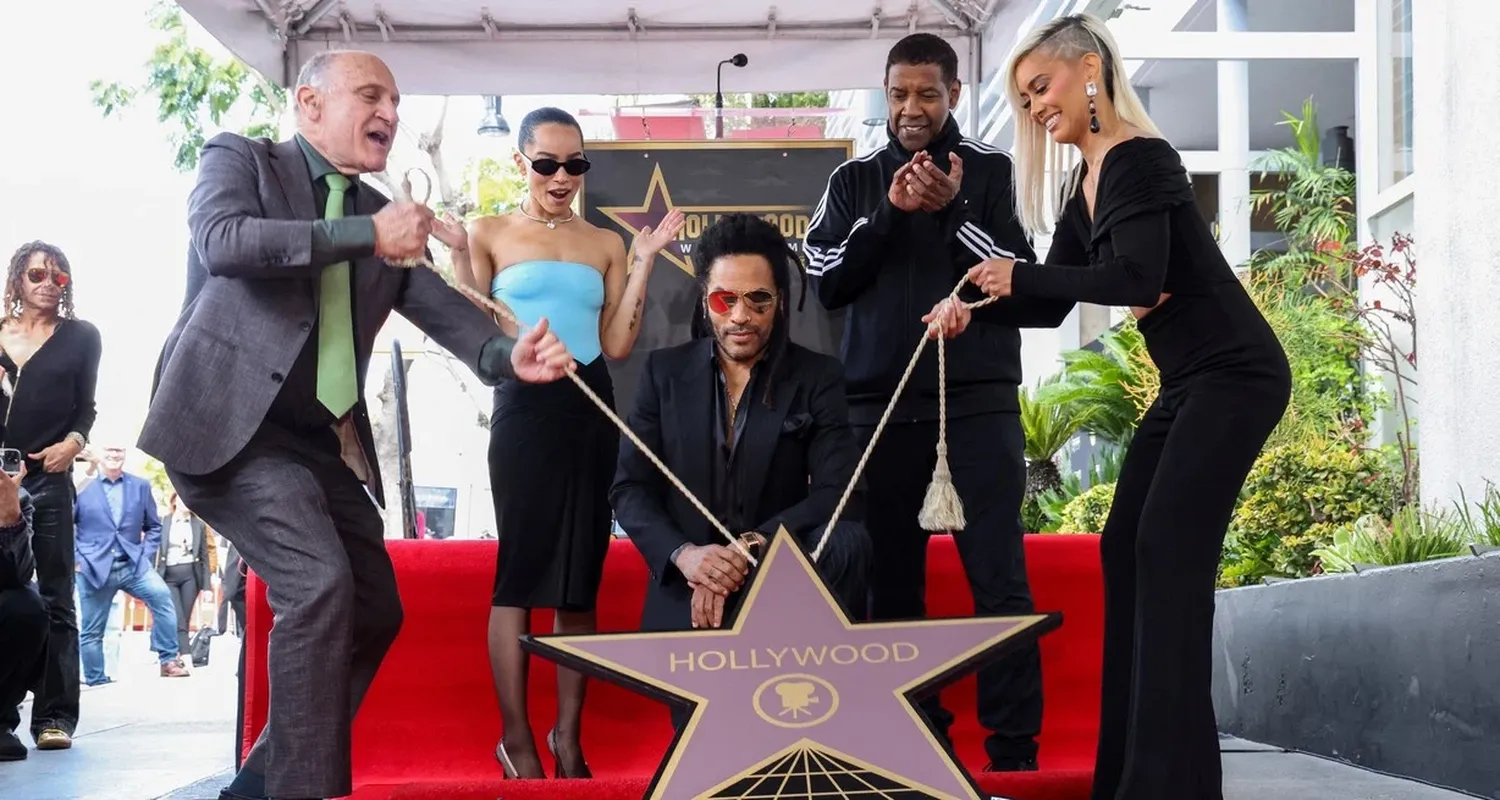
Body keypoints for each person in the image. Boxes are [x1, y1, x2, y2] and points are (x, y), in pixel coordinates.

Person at [136, 50, 576, 800]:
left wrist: (511, 355)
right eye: (371, 95)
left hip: (317, 447)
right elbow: (226, 241)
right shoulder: (243, 159)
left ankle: (263, 785)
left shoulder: (383, 216)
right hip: (228, 431)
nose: (390, 114)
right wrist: (365, 237)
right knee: (318, 584)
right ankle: (305, 792)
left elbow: (451, 322)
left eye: (398, 102)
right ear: (309, 102)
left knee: (375, 605)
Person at [963, 14, 1292, 799]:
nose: (1036, 107)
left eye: (1041, 86)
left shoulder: (1142, 160)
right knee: (1125, 548)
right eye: (1024, 98)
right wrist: (976, 300)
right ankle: (1128, 781)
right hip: (1188, 382)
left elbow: (1135, 280)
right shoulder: (1086, 188)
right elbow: (1047, 305)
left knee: (1167, 556)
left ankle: (1172, 785)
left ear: (1088, 71)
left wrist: (1022, 276)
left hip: (1236, 372)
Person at [802, 33, 1074, 771]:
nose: (911, 109)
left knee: (1000, 583)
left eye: (926, 93)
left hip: (977, 408)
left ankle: (1014, 756)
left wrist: (953, 212)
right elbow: (827, 279)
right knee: (891, 590)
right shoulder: (853, 179)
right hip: (877, 412)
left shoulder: (989, 170)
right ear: (884, 96)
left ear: (954, 93)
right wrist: (889, 214)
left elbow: (1027, 285)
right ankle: (915, 748)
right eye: (898, 94)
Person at [460, 106, 685, 781]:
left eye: (574, 164)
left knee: (579, 581)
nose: (561, 177)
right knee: (520, 575)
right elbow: (472, 333)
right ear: (520, 163)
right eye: (547, 163)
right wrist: (451, 251)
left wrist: (643, 261)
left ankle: (568, 738)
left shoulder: (606, 242)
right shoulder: (487, 231)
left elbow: (617, 343)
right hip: (524, 409)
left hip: (592, 408)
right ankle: (516, 740)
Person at [611, 212, 872, 658]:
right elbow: (630, 488)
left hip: (779, 579)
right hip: (692, 590)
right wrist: (687, 557)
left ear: (781, 302)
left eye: (759, 300)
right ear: (704, 299)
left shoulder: (816, 376)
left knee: (849, 540)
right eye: (723, 300)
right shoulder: (664, 374)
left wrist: (748, 548)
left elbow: (841, 491)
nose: (740, 316)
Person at [0, 241, 101, 752]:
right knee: (9, 595)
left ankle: (54, 717)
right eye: (37, 273)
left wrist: (73, 444)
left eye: (58, 277)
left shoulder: (81, 337)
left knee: (58, 595)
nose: (47, 283)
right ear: (18, 278)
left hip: (49, 473)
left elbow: (87, 407)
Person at [74, 446, 189, 682]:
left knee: (162, 597)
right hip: (94, 568)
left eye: (119, 451)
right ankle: (95, 678)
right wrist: (77, 559)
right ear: (100, 453)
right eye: (109, 450)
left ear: (124, 455)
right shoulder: (84, 488)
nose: (114, 455)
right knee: (91, 629)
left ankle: (168, 660)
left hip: (132, 565)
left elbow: (154, 526)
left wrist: (145, 554)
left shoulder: (140, 486)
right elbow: (67, 525)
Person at [0, 466, 46, 761]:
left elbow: (19, 575)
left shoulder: (18, 498)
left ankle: (0, 721)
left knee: (26, 606)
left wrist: (9, 519)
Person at [156, 491, 217, 666]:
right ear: (174, 501)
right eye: (180, 499)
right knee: (177, 616)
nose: (184, 502)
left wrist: (207, 588)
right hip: (168, 575)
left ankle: (175, 653)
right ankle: (185, 654)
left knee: (185, 615)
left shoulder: (198, 525)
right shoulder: (164, 521)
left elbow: (205, 556)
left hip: (191, 574)